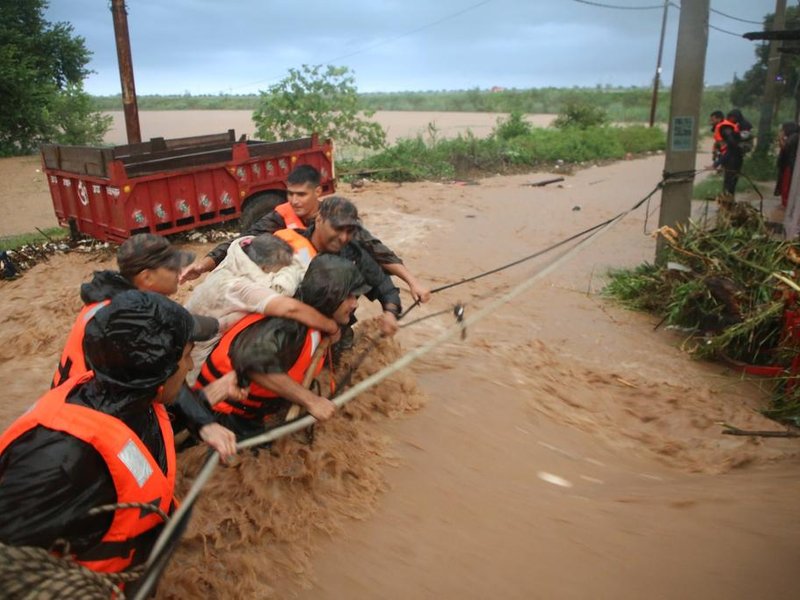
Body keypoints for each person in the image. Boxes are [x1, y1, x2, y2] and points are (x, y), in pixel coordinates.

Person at [0, 291, 237, 578]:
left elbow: (144, 439)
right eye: (186, 357)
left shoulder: (135, 395)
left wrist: (206, 411)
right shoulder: (60, 462)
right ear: (158, 373)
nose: (189, 366)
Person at [181, 164, 431, 303]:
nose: (294, 201)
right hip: (293, 290)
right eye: (290, 194)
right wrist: (203, 265)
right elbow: (240, 241)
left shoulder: (338, 219)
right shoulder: (280, 216)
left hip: (331, 291)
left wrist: (413, 283)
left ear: (318, 192)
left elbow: (378, 250)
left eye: (301, 195)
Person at [195, 254, 369, 439]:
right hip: (221, 412)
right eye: (348, 297)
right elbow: (252, 362)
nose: (355, 303)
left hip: (249, 410)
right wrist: (311, 401)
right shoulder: (288, 326)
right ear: (330, 296)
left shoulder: (319, 322)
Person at [184, 233, 339, 385]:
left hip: (191, 328)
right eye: (279, 270)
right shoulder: (238, 287)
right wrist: (330, 326)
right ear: (264, 268)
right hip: (193, 352)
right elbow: (289, 308)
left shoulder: (238, 256)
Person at [52, 232, 194, 388]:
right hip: (81, 397)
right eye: (172, 268)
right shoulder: (125, 321)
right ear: (147, 277)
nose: (179, 271)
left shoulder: (114, 302)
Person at [709, 110, 743, 197]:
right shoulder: (722, 127)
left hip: (733, 158)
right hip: (730, 157)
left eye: (712, 120)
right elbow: (722, 145)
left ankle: (728, 202)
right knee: (728, 182)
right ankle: (727, 202)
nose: (710, 122)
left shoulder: (725, 128)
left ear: (719, 119)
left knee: (729, 184)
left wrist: (716, 164)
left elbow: (731, 147)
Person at [776, 122, 799, 208]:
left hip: (789, 164)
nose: (782, 131)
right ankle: (785, 202)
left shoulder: (794, 137)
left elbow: (785, 147)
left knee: (786, 184)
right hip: (787, 164)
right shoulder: (793, 136)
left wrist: (780, 138)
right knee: (784, 184)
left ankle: (786, 203)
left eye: (783, 129)